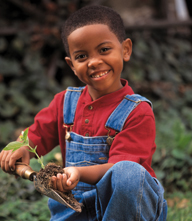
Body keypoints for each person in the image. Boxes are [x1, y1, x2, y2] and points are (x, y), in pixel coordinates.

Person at [0, 5, 167, 221]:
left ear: (125, 49)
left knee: (128, 173)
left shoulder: (137, 112)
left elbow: (123, 170)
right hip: (76, 210)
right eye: (82, 56)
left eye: (104, 50)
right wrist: (22, 148)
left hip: (128, 212)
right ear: (71, 65)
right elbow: (37, 134)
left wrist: (78, 173)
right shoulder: (65, 102)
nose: (94, 62)